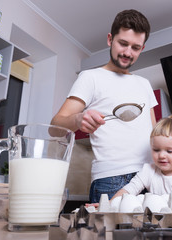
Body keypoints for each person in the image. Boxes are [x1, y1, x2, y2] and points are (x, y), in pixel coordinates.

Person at [51, 9, 158, 203]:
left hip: (149, 177)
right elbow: (55, 127)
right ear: (110, 39)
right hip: (111, 179)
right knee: (109, 234)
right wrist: (77, 119)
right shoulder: (90, 78)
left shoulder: (144, 83)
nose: (127, 52)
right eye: (123, 43)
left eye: (135, 47)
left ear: (142, 48)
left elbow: (154, 133)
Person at [111, 116, 172, 206]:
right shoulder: (148, 171)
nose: (161, 155)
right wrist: (110, 203)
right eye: (156, 150)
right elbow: (129, 189)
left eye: (169, 151)